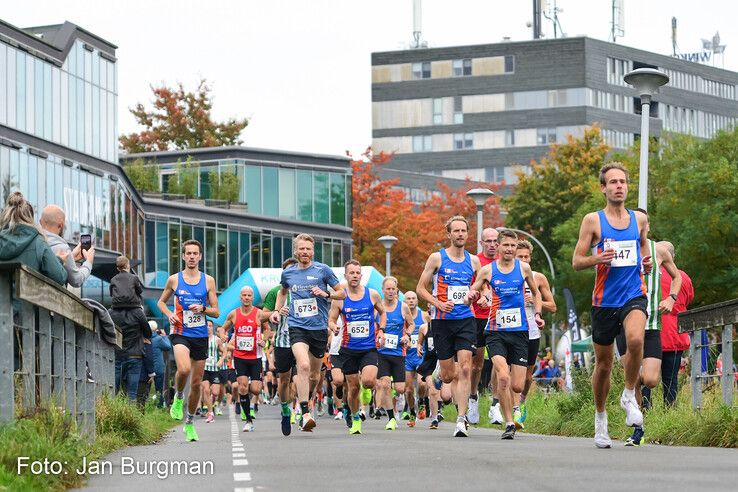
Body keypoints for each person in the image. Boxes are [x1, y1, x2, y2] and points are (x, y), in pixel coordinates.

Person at [572, 162, 652, 449]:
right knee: (604, 365)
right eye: (613, 182)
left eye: (623, 182)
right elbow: (577, 261)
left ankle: (629, 393)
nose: (619, 186)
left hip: (633, 294)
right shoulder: (592, 221)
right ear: (603, 188)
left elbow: (643, 246)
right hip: (604, 300)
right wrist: (598, 258)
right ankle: (600, 418)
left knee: (635, 339)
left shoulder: (638, 220)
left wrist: (647, 262)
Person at [468, 229, 545, 440]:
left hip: (520, 331)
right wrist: (474, 296)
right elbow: (472, 292)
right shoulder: (487, 270)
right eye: (506, 245)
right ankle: (509, 422)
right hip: (496, 331)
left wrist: (537, 313)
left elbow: (536, 293)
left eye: (513, 245)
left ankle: (514, 408)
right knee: (503, 376)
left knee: (518, 385)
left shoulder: (524, 268)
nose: (509, 249)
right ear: (499, 247)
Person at [614, 210, 682, 446]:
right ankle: (638, 428)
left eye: (642, 224)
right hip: (625, 322)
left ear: (648, 227)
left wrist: (671, 298)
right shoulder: (619, 249)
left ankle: (629, 389)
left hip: (652, 323)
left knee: (650, 380)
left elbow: (678, 277)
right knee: (636, 377)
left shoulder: (659, 251)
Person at [270, 234, 345, 432]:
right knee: (302, 366)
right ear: (296, 251)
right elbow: (282, 292)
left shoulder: (323, 270)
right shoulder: (289, 273)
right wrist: (277, 311)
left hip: (319, 328)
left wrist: (326, 293)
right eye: (301, 249)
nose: (305, 252)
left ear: (313, 251)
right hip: (297, 327)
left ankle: (308, 400)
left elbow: (341, 293)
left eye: (308, 249)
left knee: (314, 376)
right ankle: (304, 413)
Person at [416, 215, 482, 437]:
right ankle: (440, 376)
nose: (460, 234)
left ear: (467, 234)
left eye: (464, 230)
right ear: (449, 234)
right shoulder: (437, 258)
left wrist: (477, 296)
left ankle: (461, 420)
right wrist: (438, 303)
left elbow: (480, 289)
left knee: (465, 368)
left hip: (466, 320)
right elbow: (420, 288)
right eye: (456, 231)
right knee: (447, 375)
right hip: (442, 322)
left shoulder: (474, 262)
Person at [157, 239, 219, 442]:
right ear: (183, 256)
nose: (192, 256)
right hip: (180, 332)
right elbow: (161, 302)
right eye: (188, 253)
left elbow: (216, 312)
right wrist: (169, 314)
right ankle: (177, 397)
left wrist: (203, 309)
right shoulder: (174, 280)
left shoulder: (208, 280)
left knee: (196, 383)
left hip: (200, 334)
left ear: (200, 256)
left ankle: (190, 422)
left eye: (195, 253)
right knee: (183, 369)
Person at [328, 259, 386, 435]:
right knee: (352, 387)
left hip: (368, 347)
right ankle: (355, 418)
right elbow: (331, 319)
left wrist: (381, 330)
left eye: (357, 272)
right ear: (345, 276)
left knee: (368, 382)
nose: (354, 275)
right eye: (351, 273)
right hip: (348, 348)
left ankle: (366, 399)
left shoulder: (372, 294)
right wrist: (333, 326)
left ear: (361, 275)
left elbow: (383, 313)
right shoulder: (340, 298)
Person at [514, 239, 557, 428]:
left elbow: (553, 306)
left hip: (531, 331)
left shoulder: (538, 278)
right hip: (511, 329)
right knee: (508, 373)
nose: (523, 259)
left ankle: (521, 402)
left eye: (526, 256)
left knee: (527, 377)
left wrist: (533, 300)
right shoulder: (504, 274)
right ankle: (511, 410)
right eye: (519, 256)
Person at [224, 286, 271, 432]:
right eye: (244, 295)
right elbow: (222, 328)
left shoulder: (259, 314)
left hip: (255, 356)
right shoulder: (234, 314)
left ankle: (249, 403)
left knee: (256, 390)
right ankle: (248, 420)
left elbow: (267, 329)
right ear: (240, 297)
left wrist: (264, 340)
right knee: (242, 386)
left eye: (249, 295)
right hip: (240, 356)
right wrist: (222, 336)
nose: (246, 297)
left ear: (252, 297)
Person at [261, 257, 299, 435]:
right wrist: (276, 312)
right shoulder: (276, 291)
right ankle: (285, 409)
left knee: (302, 378)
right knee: (285, 380)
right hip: (283, 341)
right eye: (289, 271)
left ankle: (303, 410)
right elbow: (261, 316)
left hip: (303, 340)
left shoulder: (306, 289)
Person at [109, 255, 152, 403]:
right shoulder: (138, 313)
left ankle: (113, 415)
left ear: (117, 267)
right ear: (127, 266)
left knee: (113, 391)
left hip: (118, 354)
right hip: (135, 355)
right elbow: (148, 332)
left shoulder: (111, 314)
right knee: (132, 394)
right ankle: (130, 422)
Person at [0, 192, 67, 285]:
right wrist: (59, 260)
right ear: (30, 218)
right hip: (26, 299)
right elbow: (60, 277)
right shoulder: (38, 242)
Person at [658, 241, 694, 407]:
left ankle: (645, 412)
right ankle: (669, 411)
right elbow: (688, 298)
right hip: (675, 335)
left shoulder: (650, 274)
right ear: (673, 257)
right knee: (671, 380)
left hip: (653, 334)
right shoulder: (683, 277)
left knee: (644, 379)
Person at [376, 276, 413, 431]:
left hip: (398, 352)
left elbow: (411, 324)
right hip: (381, 352)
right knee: (384, 384)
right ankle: (391, 417)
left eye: (393, 289)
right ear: (383, 290)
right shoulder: (377, 307)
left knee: (399, 388)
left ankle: (397, 399)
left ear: (397, 290)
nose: (390, 292)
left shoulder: (403, 307)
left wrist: (407, 335)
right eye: (388, 289)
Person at [469, 227, 498, 425]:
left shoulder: (505, 262)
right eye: (488, 241)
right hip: (478, 318)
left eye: (495, 241)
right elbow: (469, 288)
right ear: (481, 243)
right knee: (477, 364)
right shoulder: (475, 262)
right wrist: (479, 296)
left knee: (499, 362)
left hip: (499, 317)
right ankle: (473, 397)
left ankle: (496, 404)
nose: (492, 245)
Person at [40, 204, 95, 289]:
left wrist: (70, 257)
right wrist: (89, 262)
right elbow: (77, 280)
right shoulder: (62, 248)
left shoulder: (36, 243)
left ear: (40, 222)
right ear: (61, 225)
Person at [403, 291, 431, 426]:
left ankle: (421, 401)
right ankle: (412, 413)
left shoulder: (424, 316)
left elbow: (431, 330)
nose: (411, 301)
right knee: (408, 390)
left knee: (422, 384)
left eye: (413, 298)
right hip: (406, 357)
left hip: (421, 356)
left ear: (417, 301)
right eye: (408, 298)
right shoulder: (402, 316)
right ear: (404, 301)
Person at [201, 320, 225, 423]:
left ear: (212, 328)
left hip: (215, 369)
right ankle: (210, 413)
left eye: (210, 326)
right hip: (204, 368)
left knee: (215, 392)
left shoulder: (217, 340)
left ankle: (211, 404)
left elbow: (224, 352)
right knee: (206, 390)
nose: (208, 328)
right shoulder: (200, 339)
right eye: (206, 326)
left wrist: (221, 360)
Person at [149, 321, 172, 407]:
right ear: (155, 329)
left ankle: (147, 405)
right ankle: (160, 406)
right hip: (158, 368)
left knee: (146, 389)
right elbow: (168, 346)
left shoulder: (145, 338)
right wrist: (164, 336)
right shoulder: (158, 339)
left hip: (148, 367)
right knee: (159, 389)